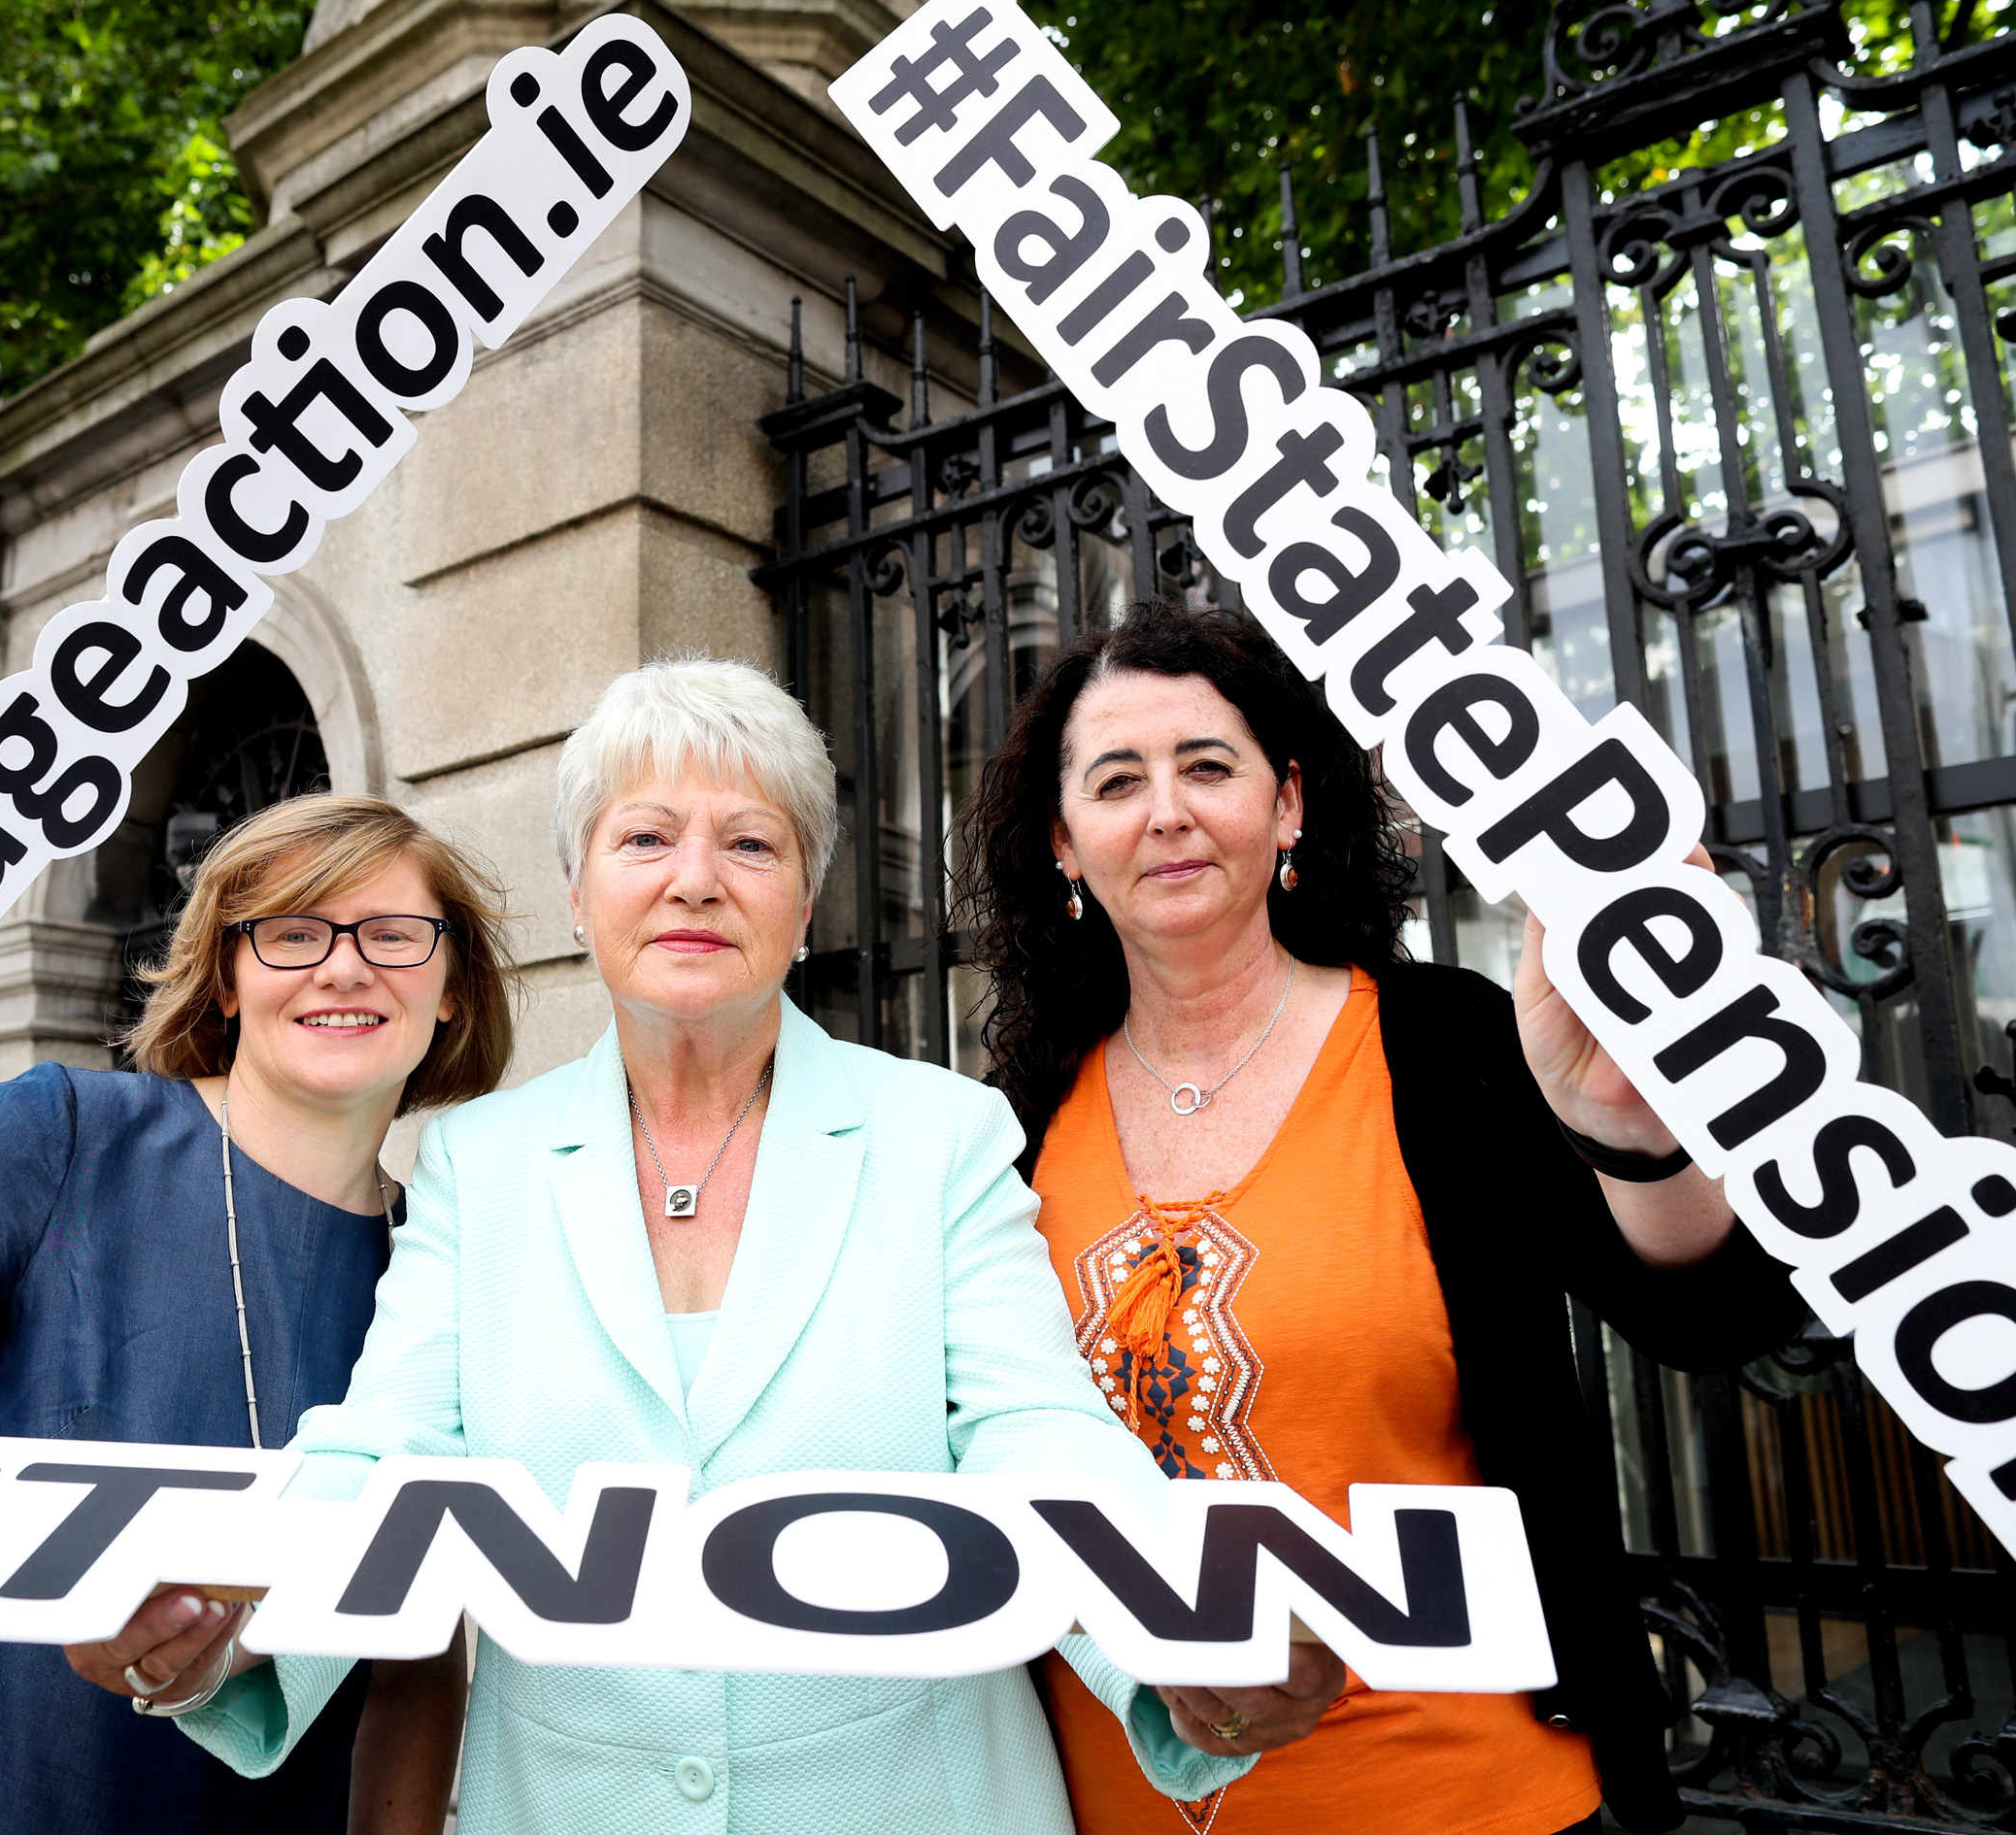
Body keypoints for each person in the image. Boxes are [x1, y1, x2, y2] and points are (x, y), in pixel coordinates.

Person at [77, 657, 1347, 1833]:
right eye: (644, 839)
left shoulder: (938, 1137)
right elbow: (394, 1447)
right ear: (581, 892)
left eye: (751, 843)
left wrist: (1167, 1619)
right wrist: (235, 1610)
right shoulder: (480, 1163)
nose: (695, 879)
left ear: (805, 903)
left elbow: (1036, 1433)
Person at [952, 601, 1805, 1835]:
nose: (1168, 810)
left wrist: (1626, 1125)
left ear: (1289, 802)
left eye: (1208, 765)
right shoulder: (1018, 1119)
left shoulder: (1444, 1041)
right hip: (1112, 1801)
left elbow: (1714, 1315)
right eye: (1118, 779)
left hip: (1463, 1795)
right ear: (1064, 844)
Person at [0, 793, 514, 1835]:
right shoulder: (61, 1133)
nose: (343, 966)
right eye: (291, 931)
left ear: (454, 990)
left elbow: (417, 1646)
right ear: (229, 977)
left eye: (393, 934)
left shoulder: (449, 1274)